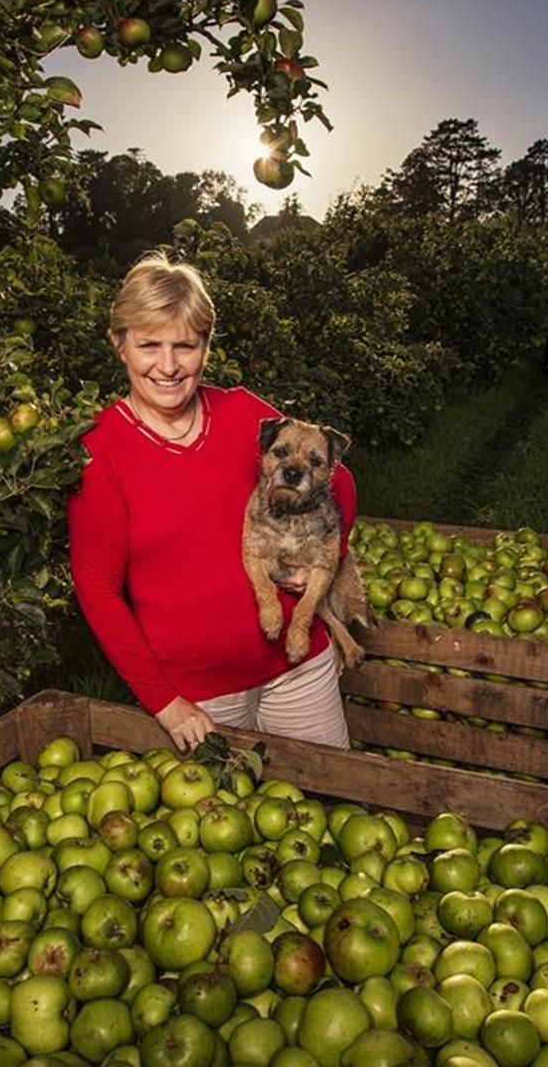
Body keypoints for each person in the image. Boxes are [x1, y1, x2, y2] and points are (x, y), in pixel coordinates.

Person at [68, 254, 358, 752]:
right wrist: (164, 702)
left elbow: (341, 482)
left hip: (297, 670)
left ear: (205, 346)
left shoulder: (242, 412)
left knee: (334, 808)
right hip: (200, 698)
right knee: (230, 827)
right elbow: (97, 588)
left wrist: (321, 561)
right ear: (119, 345)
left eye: (185, 345)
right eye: (149, 345)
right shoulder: (100, 449)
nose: (168, 365)